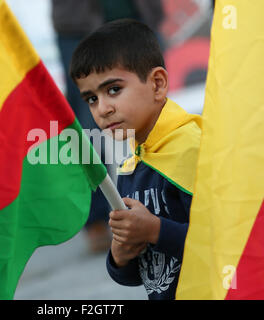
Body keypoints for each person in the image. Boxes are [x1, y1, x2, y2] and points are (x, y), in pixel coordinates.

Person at [69, 19, 201, 299]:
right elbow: (144, 276)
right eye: (91, 98)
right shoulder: (132, 164)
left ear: (157, 83)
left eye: (113, 90)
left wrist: (156, 230)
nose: (102, 109)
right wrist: (119, 256)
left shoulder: (193, 149)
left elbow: (230, 249)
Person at [52, 0, 166, 254]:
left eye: (113, 91)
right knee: (88, 130)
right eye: (96, 99)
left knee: (157, 116)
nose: (105, 106)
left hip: (137, 17)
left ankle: (167, 203)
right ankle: (98, 220)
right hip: (79, 26)